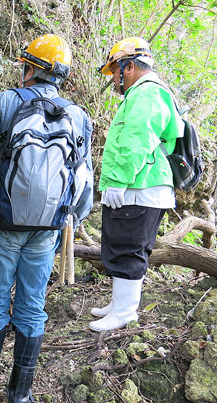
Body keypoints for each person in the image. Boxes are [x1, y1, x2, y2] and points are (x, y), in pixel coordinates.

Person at [0, 34, 94, 403]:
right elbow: (84, 177)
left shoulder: (7, 103)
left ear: (31, 68)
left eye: (25, 65)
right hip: (48, 227)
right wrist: (75, 217)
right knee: (33, 305)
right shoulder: (79, 116)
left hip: (4, 220)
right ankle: (20, 397)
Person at [89, 37, 184, 332]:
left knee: (129, 249)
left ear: (128, 67)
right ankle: (120, 303)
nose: (115, 79)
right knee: (122, 245)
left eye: (116, 70)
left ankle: (126, 312)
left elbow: (136, 141)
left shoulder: (146, 94)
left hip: (140, 189)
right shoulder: (145, 94)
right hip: (138, 187)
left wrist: (117, 181)